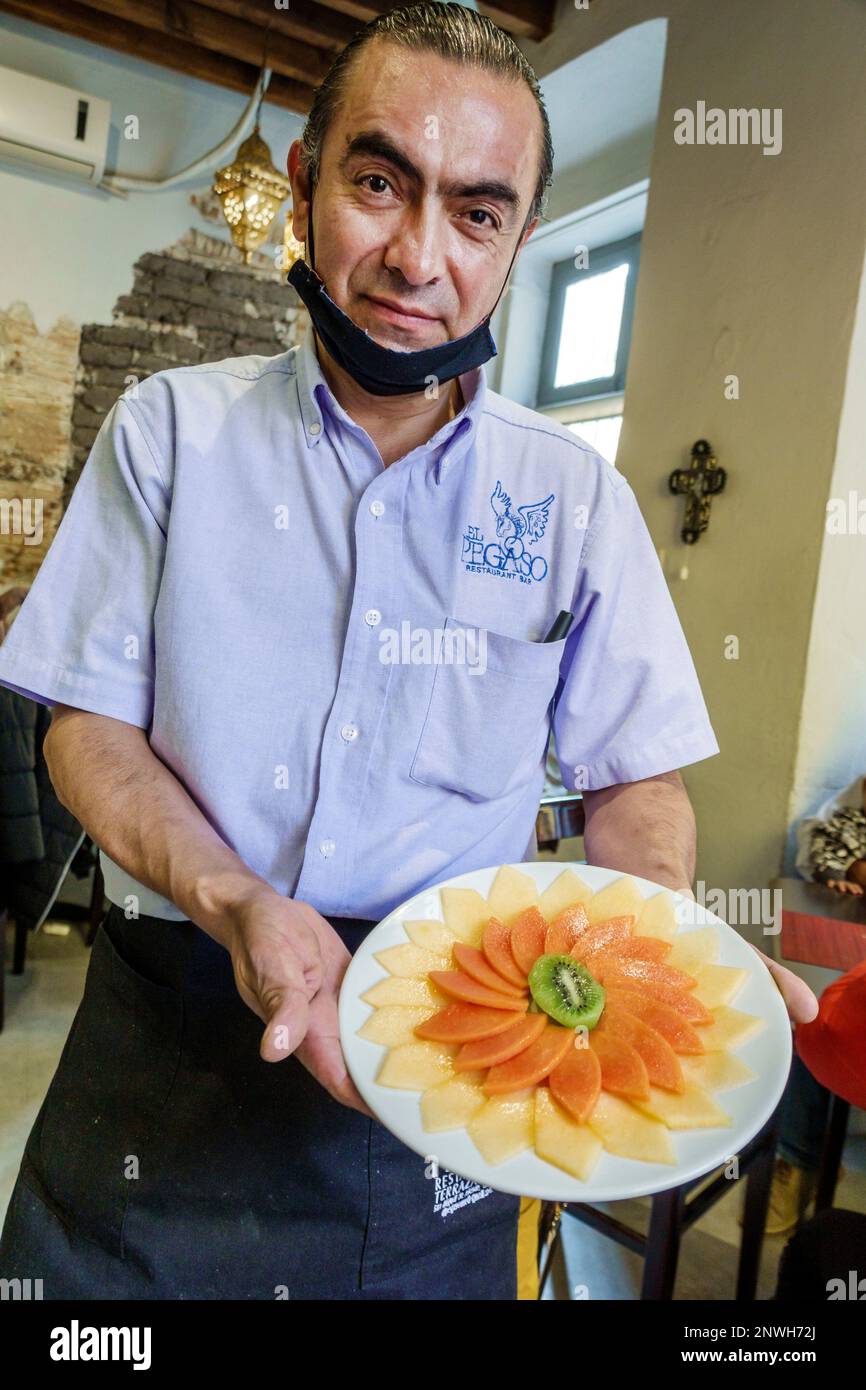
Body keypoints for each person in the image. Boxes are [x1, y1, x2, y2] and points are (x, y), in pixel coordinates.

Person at [0, 2, 815, 1300]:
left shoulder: (576, 503)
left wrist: (655, 953)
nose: (416, 255)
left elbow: (631, 780)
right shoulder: (167, 435)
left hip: (460, 1049)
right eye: (379, 182)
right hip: (173, 1032)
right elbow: (84, 727)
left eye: (478, 212)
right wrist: (235, 900)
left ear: (517, 242)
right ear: (303, 180)